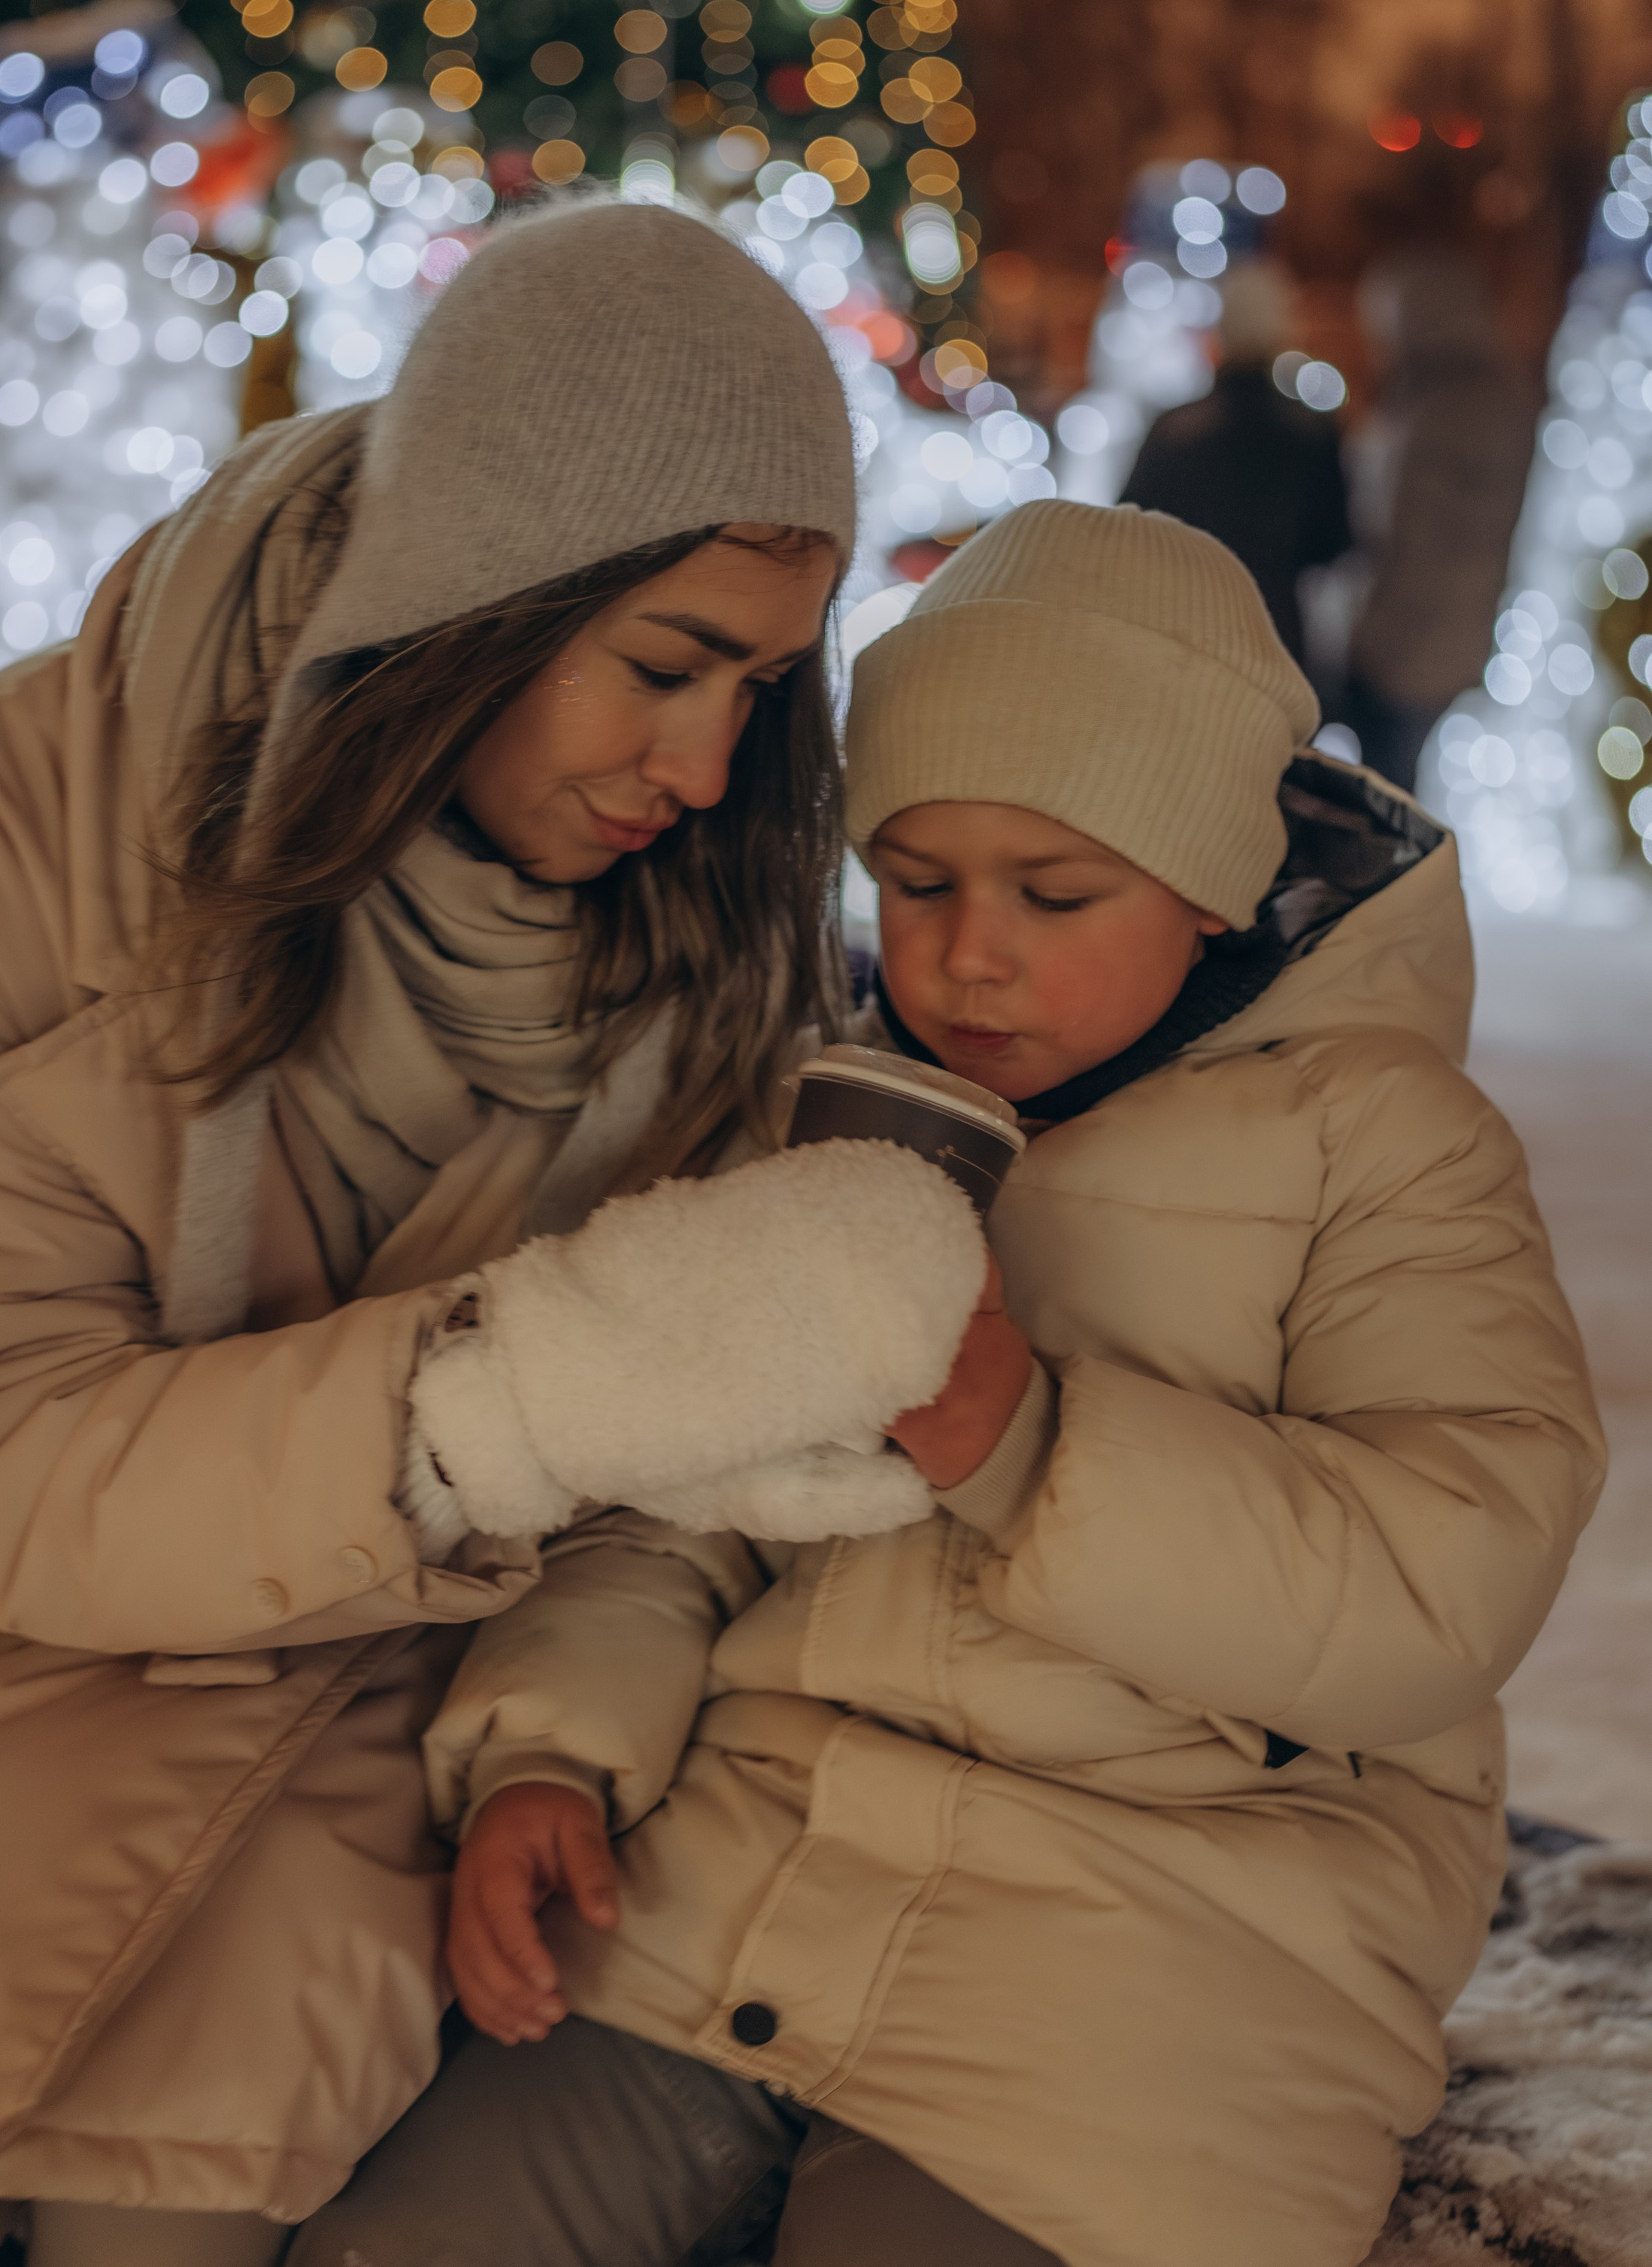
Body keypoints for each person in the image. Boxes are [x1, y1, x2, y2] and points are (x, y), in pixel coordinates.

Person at [0, 202, 973, 2266]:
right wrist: (521, 1392)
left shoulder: (726, 933)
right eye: (663, 667)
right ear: (478, 588)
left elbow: (685, 1512)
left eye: (761, 683)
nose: (710, 761)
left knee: (183, 2201)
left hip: (428, 1720)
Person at [306, 501, 1607, 2267]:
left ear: (1215, 873)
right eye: (914, 881)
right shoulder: (837, 1106)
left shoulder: (1378, 1146)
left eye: (1050, 892)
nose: (966, 952)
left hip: (1166, 1960)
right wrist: (549, 1748)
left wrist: (1025, 1439)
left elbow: (1433, 1581)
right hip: (735, 1889)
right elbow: (667, 1496)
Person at [1340, 250, 1535, 790]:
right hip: (1457, 634)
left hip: (1409, 646)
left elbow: (1410, 539)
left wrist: (1369, 641)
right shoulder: (1500, 393)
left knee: (1385, 805)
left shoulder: (1441, 410)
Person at [1119, 258, 1350, 670]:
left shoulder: (1172, 430)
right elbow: (1332, 543)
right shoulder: (1312, 434)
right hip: (1276, 636)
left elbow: (1129, 527)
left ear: (1220, 332)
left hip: (1181, 634)